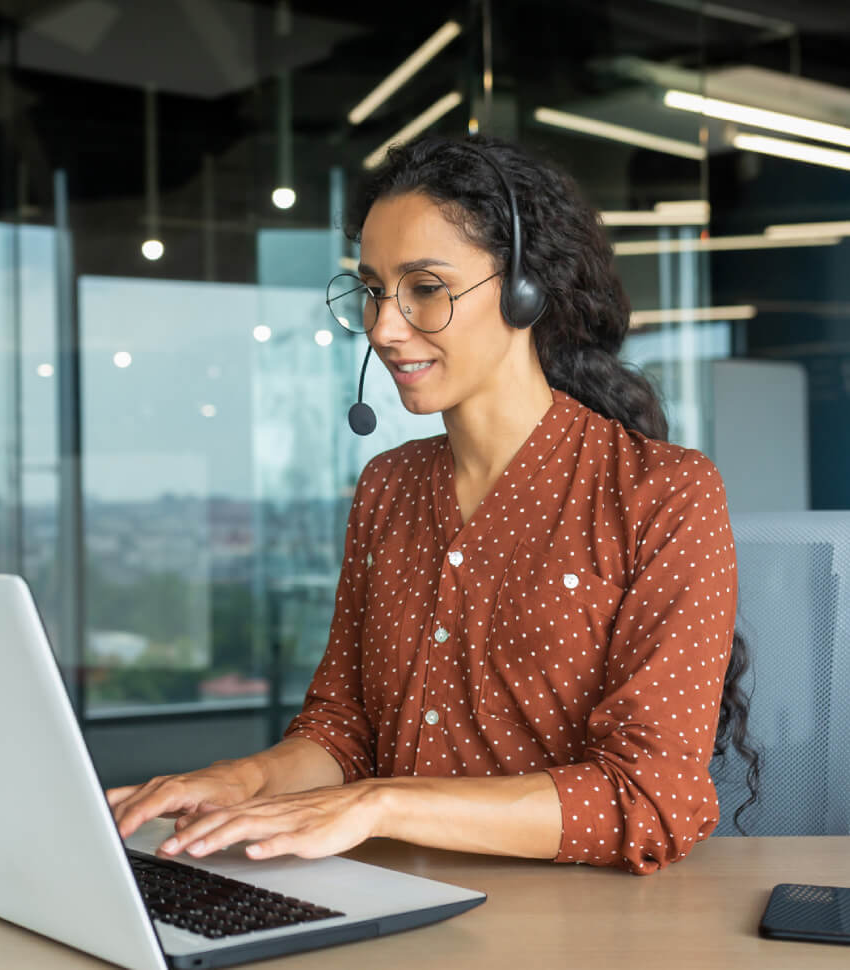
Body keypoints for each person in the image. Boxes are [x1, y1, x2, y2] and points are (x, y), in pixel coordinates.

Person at [108, 134, 757, 876]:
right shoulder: (388, 487)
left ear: (524, 288)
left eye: (424, 287)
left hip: (572, 923)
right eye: (375, 290)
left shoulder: (663, 493)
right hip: (393, 899)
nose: (385, 327)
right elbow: (343, 730)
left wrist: (381, 804)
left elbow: (649, 799)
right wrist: (242, 781)